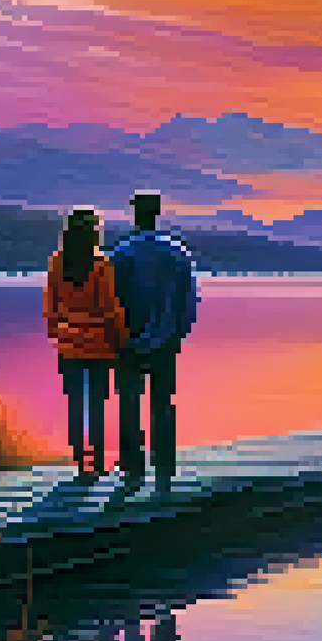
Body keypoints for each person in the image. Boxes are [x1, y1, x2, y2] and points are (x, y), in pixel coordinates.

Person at [108, 190, 200, 494]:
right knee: (163, 406)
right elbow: (189, 302)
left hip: (128, 346)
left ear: (136, 214)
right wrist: (177, 335)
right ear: (157, 213)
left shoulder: (121, 254)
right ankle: (164, 470)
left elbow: (111, 303)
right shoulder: (177, 253)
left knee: (129, 407)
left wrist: (117, 339)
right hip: (166, 345)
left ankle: (133, 474)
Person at [43, 206, 129, 477]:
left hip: (68, 343)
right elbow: (109, 307)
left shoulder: (57, 262)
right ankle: (99, 462)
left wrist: (56, 333)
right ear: (94, 233)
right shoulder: (101, 264)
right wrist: (121, 338)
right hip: (99, 345)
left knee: (74, 404)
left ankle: (81, 463)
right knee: (97, 405)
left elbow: (50, 303)